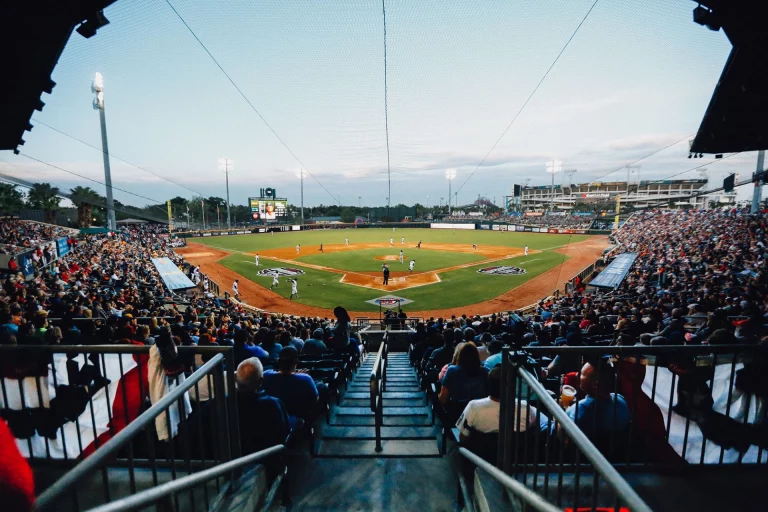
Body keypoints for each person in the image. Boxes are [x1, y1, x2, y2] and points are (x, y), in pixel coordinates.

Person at [457, 367, 537, 443]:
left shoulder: (473, 406)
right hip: (515, 456)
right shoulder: (526, 407)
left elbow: (462, 437)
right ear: (511, 386)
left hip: (480, 455)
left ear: (488, 385)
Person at [235, 358, 291, 461]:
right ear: (260, 381)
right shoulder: (273, 405)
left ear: (235, 378)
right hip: (267, 462)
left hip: (230, 461)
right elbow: (284, 433)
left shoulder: (220, 404)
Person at [565, 361, 630, 438]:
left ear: (595, 384)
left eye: (582, 374)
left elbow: (564, 436)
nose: (577, 375)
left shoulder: (579, 410)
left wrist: (561, 409)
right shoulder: (620, 399)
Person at [262, 347, 319, 419]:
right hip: (298, 415)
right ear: (296, 362)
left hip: (273, 416)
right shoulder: (306, 379)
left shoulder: (266, 375)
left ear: (278, 361)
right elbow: (315, 400)